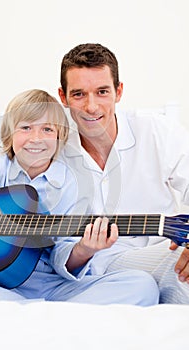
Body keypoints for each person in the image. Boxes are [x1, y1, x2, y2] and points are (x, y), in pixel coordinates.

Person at [0, 89, 159, 305]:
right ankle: (41, 315)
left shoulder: (73, 183)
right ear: (9, 135)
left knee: (142, 285)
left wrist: (84, 249)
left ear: (60, 137)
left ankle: (20, 313)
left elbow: (63, 254)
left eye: (47, 129)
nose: (36, 139)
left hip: (51, 285)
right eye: (26, 128)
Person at [51, 43, 189, 303]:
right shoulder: (49, 151)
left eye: (102, 92)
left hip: (165, 248)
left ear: (119, 91)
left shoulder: (157, 131)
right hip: (101, 269)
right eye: (79, 94)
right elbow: (57, 250)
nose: (91, 107)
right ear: (63, 96)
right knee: (174, 267)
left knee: (178, 262)